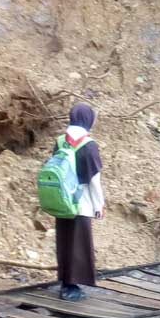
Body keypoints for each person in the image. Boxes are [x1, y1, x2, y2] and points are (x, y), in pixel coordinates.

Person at [54, 103, 105, 301]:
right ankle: (72, 287)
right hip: (81, 200)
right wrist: (98, 205)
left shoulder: (61, 141)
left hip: (61, 198)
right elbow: (94, 180)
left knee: (65, 240)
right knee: (79, 244)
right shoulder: (88, 145)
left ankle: (65, 281)